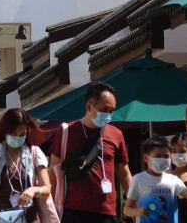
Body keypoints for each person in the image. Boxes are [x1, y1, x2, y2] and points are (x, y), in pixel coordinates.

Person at [49, 82, 131, 223]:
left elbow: (124, 173)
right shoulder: (66, 133)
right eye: (104, 109)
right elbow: (53, 173)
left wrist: (133, 202)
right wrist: (48, 211)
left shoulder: (116, 135)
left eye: (112, 111)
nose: (108, 115)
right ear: (89, 106)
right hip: (74, 212)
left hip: (107, 212)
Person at [0, 108, 52, 223]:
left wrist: (34, 190)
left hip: (28, 218)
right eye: (14, 134)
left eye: (22, 134)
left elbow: (47, 188)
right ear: (5, 131)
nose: (17, 138)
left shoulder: (35, 154)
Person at [124, 136, 187, 223]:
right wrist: (136, 212)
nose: (162, 159)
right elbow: (126, 209)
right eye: (158, 156)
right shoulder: (138, 179)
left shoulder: (173, 180)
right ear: (146, 158)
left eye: (166, 156)